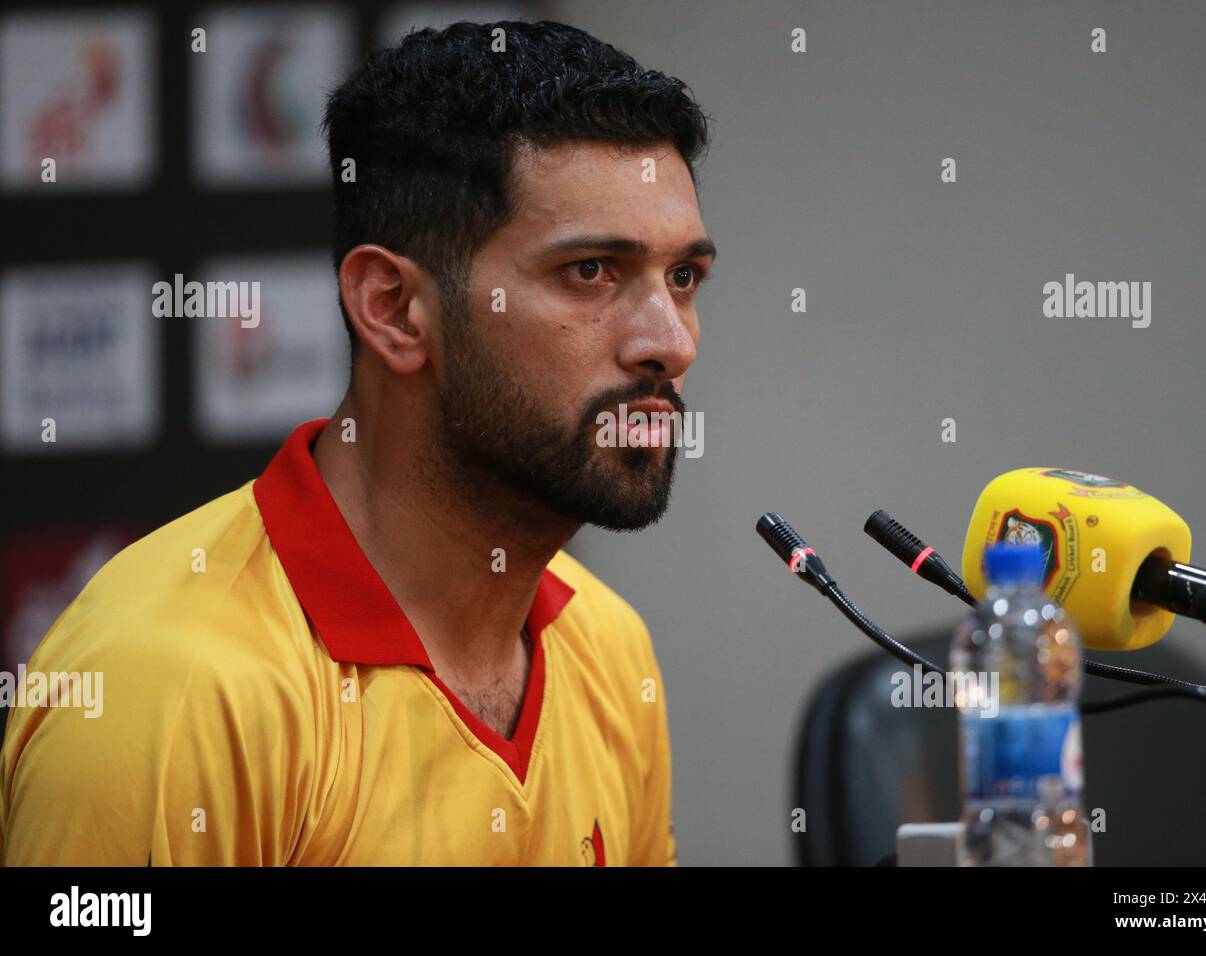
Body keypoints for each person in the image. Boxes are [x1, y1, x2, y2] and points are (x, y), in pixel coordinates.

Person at [0, 19, 716, 865]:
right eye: (591, 271)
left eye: (683, 277)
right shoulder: (167, 688)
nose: (670, 341)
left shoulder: (607, 644)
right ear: (391, 308)